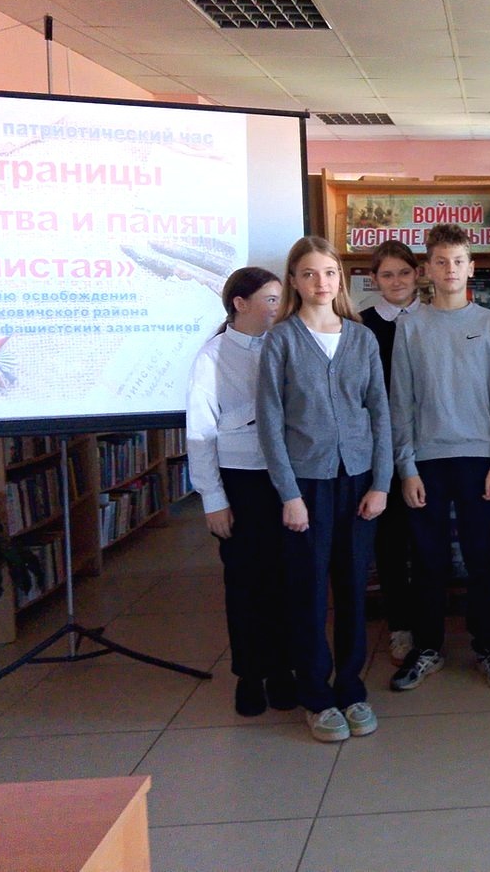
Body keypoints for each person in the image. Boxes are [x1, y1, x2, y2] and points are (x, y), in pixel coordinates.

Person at [257, 236, 391, 743]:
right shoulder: (282, 340)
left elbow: (380, 413)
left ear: (341, 280)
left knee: (354, 588)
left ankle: (351, 688)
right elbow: (270, 422)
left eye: (330, 273)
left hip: (358, 480)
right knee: (309, 592)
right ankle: (315, 694)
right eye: (310, 273)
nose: (321, 282)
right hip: (307, 484)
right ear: (294, 280)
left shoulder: (361, 338)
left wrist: (381, 483)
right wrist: (289, 494)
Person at [389, 222, 490, 692]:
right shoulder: (410, 327)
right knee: (428, 561)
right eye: (441, 262)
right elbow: (400, 401)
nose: (450, 269)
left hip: (478, 459)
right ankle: (428, 647)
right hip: (425, 461)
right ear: (427, 269)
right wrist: (406, 467)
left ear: (471, 267)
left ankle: (489, 645)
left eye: (458, 261)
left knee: (481, 557)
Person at [186, 267, 296, 718]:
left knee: (286, 578)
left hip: (286, 478)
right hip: (241, 480)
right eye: (270, 299)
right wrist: (213, 499)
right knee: (246, 582)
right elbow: (200, 433)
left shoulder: (284, 344)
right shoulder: (212, 356)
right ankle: (250, 674)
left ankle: (284, 670)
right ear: (240, 303)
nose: (277, 307)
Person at [358, 239, 421, 668]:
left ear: (417, 274)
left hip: (428, 445)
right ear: (374, 279)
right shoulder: (360, 326)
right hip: (380, 449)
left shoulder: (433, 319)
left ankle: (430, 623)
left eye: (404, 272)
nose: (396, 281)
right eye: (387, 274)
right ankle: (400, 625)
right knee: (391, 540)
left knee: (428, 540)